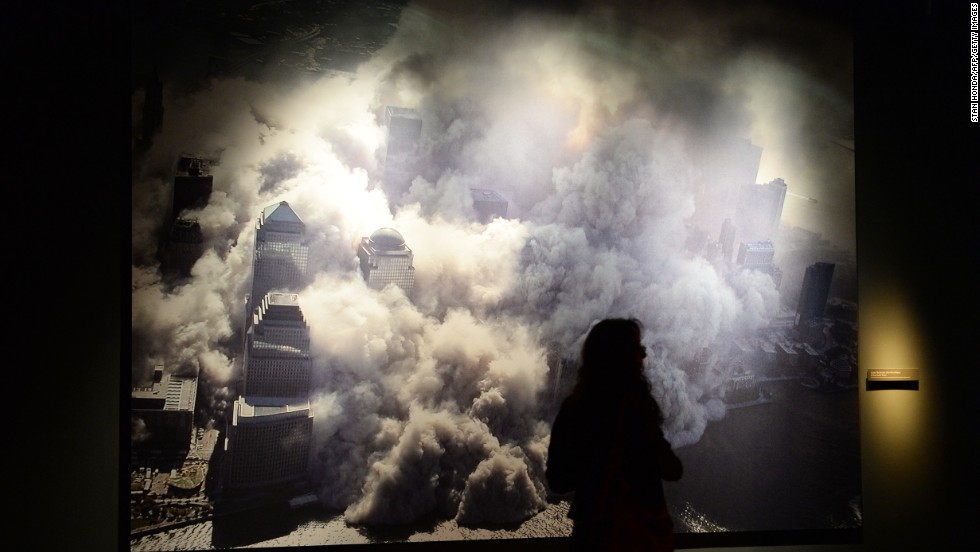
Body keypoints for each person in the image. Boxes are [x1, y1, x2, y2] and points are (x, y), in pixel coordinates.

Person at [546, 318, 683, 551]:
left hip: (594, 533)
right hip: (641, 536)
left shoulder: (575, 407)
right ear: (624, 357)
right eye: (638, 348)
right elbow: (672, 470)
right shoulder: (638, 410)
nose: (644, 354)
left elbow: (558, 480)